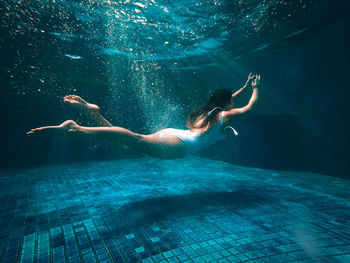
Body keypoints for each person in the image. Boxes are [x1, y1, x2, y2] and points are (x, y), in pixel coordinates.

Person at [27, 73, 260, 159]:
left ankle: (94, 114)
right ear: (228, 104)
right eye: (231, 100)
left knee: (125, 148)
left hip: (173, 135)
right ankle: (77, 129)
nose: (233, 103)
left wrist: (243, 87)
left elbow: (227, 101)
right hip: (178, 147)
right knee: (134, 139)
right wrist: (256, 88)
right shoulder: (224, 117)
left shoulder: (208, 112)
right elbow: (248, 108)